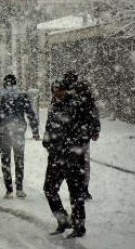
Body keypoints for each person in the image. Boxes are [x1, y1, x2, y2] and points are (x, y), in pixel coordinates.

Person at [43, 79, 95, 238]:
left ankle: (79, 227)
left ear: (65, 90)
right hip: (55, 157)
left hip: (73, 158)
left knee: (76, 193)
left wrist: (75, 148)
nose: (57, 93)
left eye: (59, 90)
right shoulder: (54, 106)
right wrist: (47, 141)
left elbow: (87, 130)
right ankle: (63, 220)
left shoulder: (77, 105)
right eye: (54, 90)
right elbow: (49, 127)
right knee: (49, 189)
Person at [0, 74, 40, 199]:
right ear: (15, 83)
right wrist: (35, 131)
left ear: (4, 83)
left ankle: (9, 190)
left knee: (5, 161)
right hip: (18, 132)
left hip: (3, 132)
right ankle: (20, 189)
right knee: (19, 160)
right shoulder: (22, 96)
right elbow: (31, 114)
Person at [61, 71, 101, 200]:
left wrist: (95, 129)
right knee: (81, 163)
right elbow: (93, 111)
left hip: (75, 134)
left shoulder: (68, 93)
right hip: (78, 134)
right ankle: (81, 189)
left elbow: (93, 111)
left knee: (76, 163)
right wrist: (95, 129)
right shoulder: (81, 91)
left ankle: (80, 189)